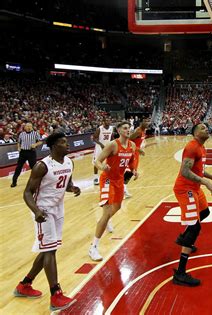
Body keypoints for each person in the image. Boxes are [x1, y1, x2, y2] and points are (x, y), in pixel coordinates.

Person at [13, 133, 81, 311]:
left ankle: (24, 285)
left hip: (58, 209)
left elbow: (66, 183)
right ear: (53, 147)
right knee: (50, 250)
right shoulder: (41, 166)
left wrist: (73, 188)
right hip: (43, 211)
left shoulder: (69, 162)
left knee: (48, 250)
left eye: (67, 142)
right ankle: (55, 295)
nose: (67, 145)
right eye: (63, 142)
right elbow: (27, 192)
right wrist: (36, 211)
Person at [172, 123, 212, 286]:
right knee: (195, 228)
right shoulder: (192, 147)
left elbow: (198, 169)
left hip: (195, 188)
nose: (207, 129)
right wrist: (206, 183)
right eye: (202, 128)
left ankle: (183, 238)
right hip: (185, 189)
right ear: (195, 133)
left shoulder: (202, 147)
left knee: (205, 212)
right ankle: (180, 274)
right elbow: (185, 171)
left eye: (207, 127)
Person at [88, 121, 138, 261]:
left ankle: (107, 219)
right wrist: (102, 167)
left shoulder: (132, 145)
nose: (128, 130)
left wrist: (134, 170)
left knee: (118, 206)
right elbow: (97, 161)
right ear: (119, 130)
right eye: (125, 128)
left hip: (119, 180)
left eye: (129, 128)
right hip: (108, 180)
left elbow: (131, 161)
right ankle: (93, 247)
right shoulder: (112, 145)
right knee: (106, 211)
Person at [11, 123, 43, 187]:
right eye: (27, 126)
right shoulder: (21, 134)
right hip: (23, 152)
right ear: (25, 127)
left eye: (29, 126)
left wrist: (35, 144)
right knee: (18, 167)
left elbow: (40, 141)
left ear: (32, 127)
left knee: (33, 168)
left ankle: (37, 181)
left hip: (31, 152)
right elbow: (19, 142)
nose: (28, 127)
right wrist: (18, 147)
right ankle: (14, 182)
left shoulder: (35, 133)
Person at [125, 118, 149, 198]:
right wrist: (138, 149)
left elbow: (139, 141)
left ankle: (123, 188)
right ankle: (122, 189)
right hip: (133, 151)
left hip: (136, 152)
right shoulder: (138, 131)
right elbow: (129, 140)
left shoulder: (142, 131)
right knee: (130, 170)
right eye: (145, 121)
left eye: (148, 122)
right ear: (142, 123)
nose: (147, 123)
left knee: (133, 170)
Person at [92, 118, 114, 185]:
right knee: (96, 162)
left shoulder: (111, 128)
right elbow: (94, 138)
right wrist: (101, 144)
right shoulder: (100, 129)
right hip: (99, 147)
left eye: (109, 120)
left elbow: (111, 137)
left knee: (109, 162)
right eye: (106, 120)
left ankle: (107, 178)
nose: (108, 121)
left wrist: (112, 143)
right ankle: (95, 177)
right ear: (103, 121)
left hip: (108, 146)